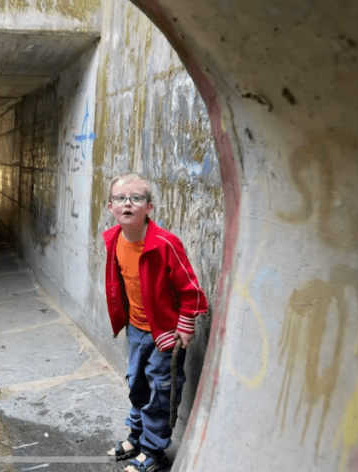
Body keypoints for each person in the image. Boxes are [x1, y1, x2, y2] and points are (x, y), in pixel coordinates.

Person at [103, 173, 208, 472]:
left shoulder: (165, 244)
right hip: (136, 329)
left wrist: (184, 327)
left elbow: (191, 291)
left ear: (149, 207)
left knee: (160, 394)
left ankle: (153, 453)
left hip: (164, 336)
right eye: (121, 198)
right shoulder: (114, 240)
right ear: (110, 207)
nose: (128, 204)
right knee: (137, 386)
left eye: (136, 198)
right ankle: (136, 438)